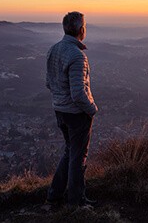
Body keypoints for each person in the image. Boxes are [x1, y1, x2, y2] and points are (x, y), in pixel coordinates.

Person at [45, 11, 98, 208]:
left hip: (60, 111)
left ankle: (54, 196)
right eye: (84, 26)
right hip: (77, 114)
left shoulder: (53, 50)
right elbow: (78, 93)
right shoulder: (77, 56)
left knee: (70, 153)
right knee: (78, 158)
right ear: (80, 29)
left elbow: (49, 82)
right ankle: (76, 202)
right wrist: (92, 109)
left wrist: (60, 100)